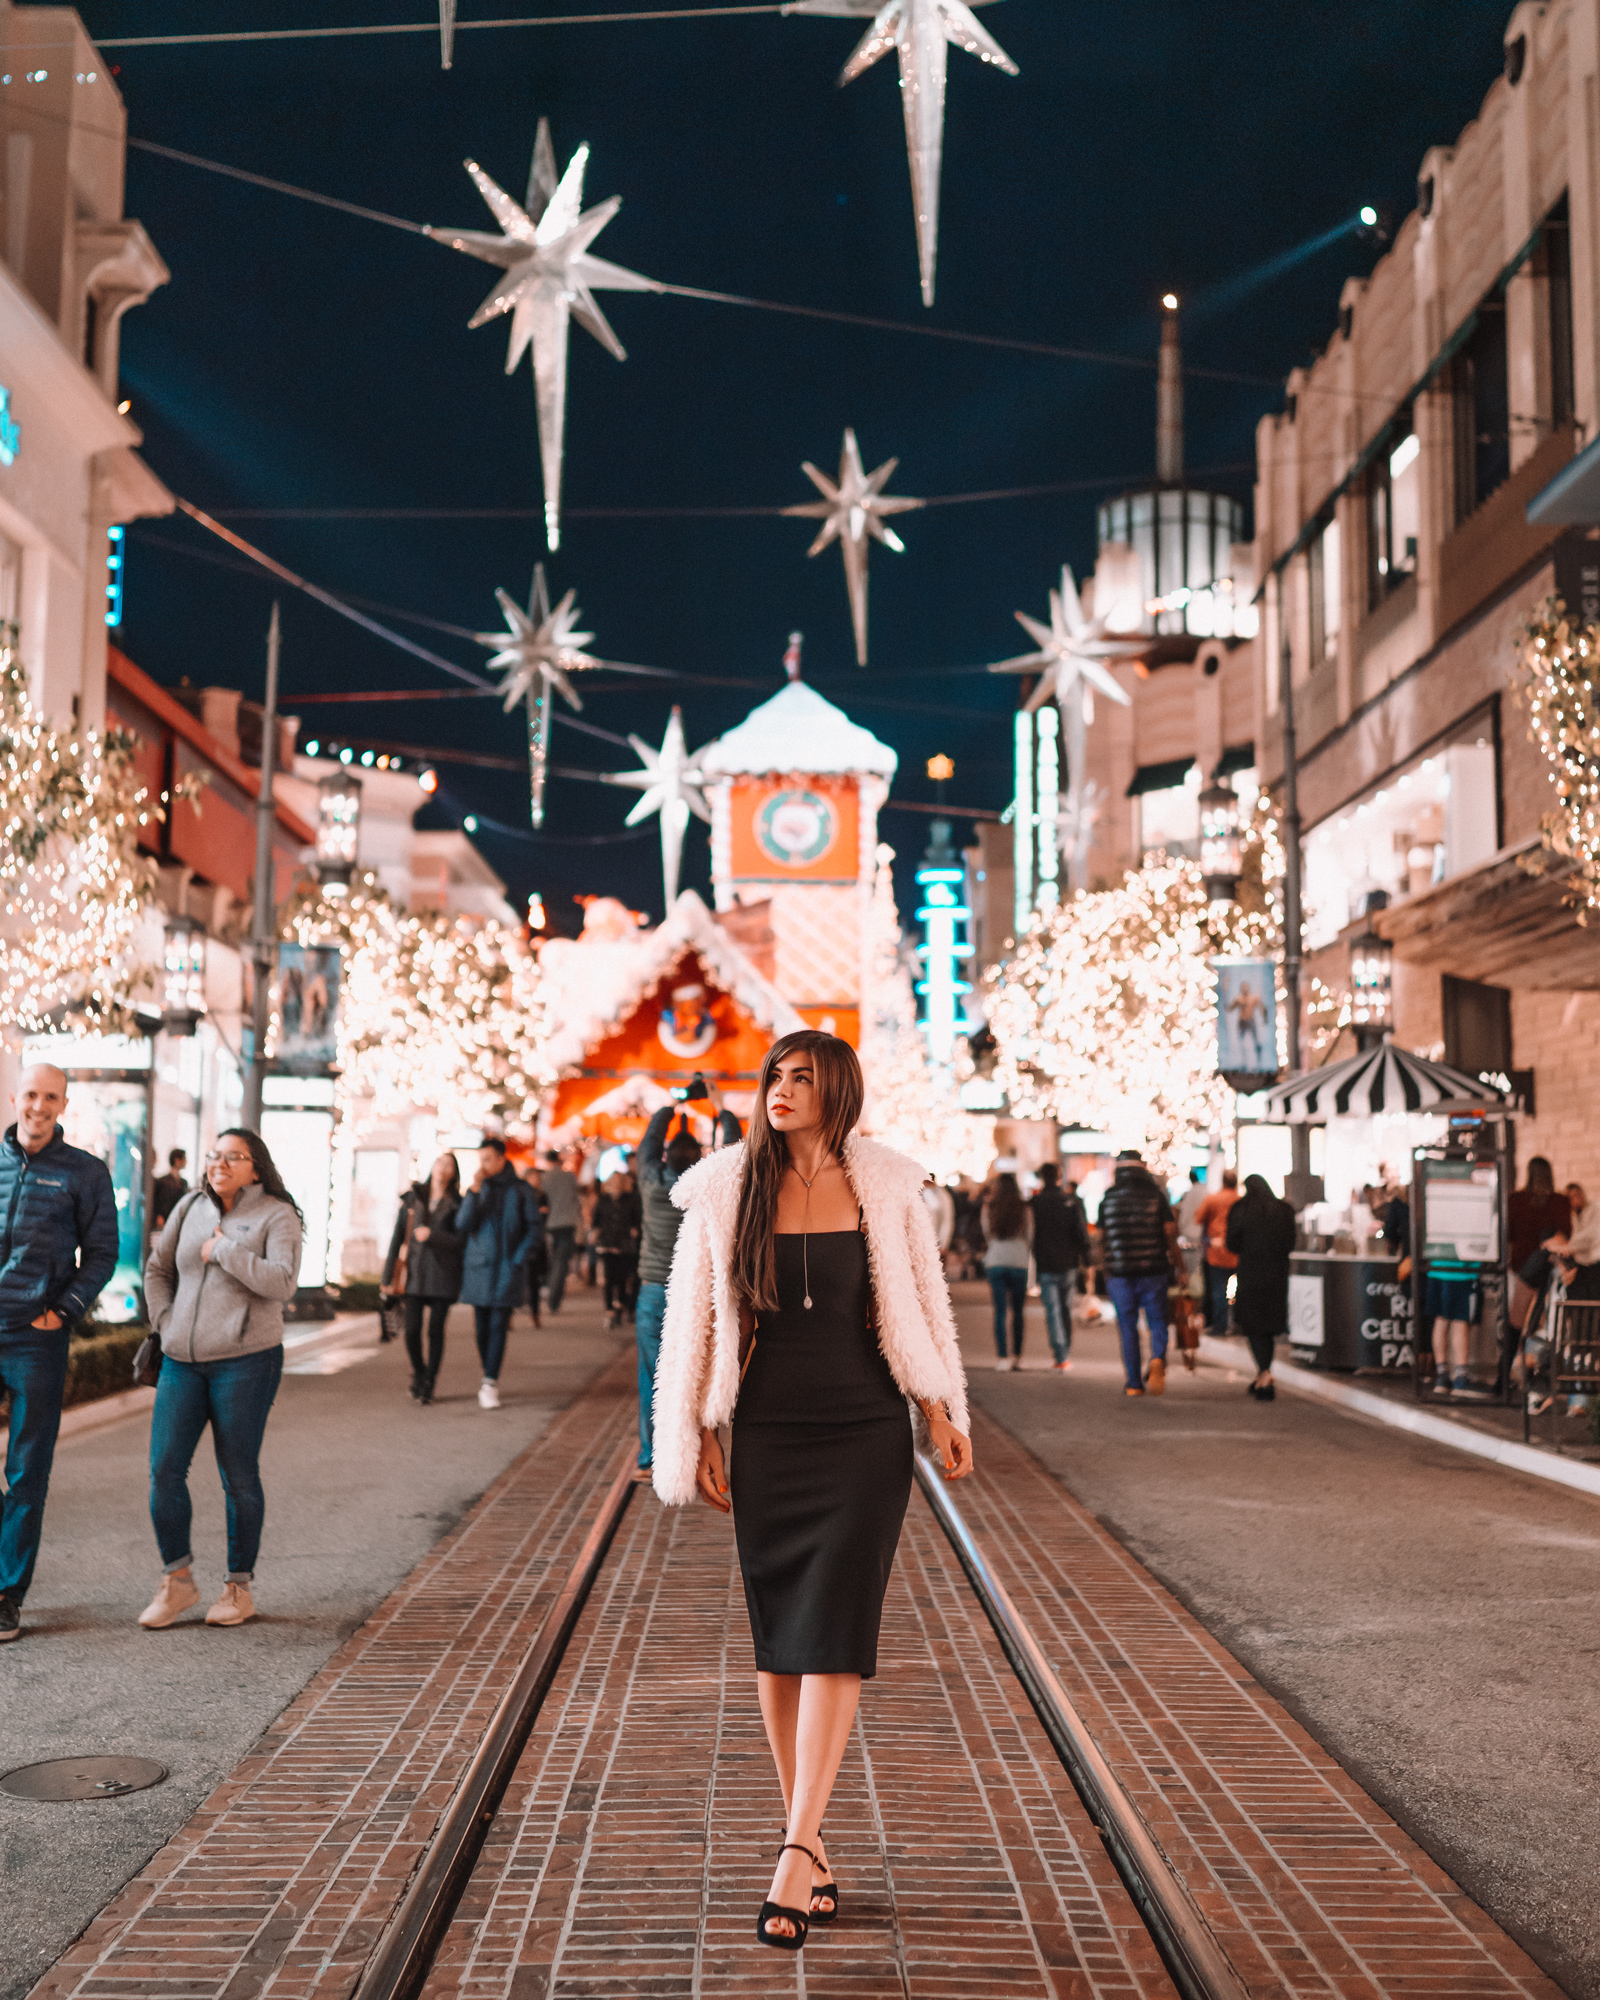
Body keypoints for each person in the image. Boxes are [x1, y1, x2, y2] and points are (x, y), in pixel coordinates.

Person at [652, 1029, 971, 1954]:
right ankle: (815, 1842)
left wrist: (941, 1409)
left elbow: (914, 1306)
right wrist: (699, 1429)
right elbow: (694, 1325)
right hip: (768, 1436)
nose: (780, 1090)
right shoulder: (722, 1186)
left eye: (802, 1078)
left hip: (865, 1432)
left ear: (838, 1091)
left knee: (835, 1629)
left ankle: (794, 1846)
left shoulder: (887, 1185)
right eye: (775, 1077)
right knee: (779, 1641)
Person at [139, 1128, 302, 1630]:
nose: (220, 1164)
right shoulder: (190, 1206)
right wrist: (166, 1323)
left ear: (256, 1167)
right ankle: (178, 1581)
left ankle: (238, 1587)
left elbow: (282, 1283)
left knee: (238, 1475)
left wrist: (226, 1250)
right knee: (164, 1470)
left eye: (235, 1157)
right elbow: (158, 1269)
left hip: (246, 1361)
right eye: (215, 1155)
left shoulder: (277, 1214)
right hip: (182, 1361)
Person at [0, 1065, 118, 1644]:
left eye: (50, 1097)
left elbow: (102, 1254)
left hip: (35, 1338)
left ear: (63, 1103)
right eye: (31, 1094)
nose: (38, 1106)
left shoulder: (85, 1173)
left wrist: (61, 1312)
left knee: (26, 1472)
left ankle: (7, 1594)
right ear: (16, 1097)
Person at [634, 1083, 742, 1479]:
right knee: (699, 1370)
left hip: (653, 1290)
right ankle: (698, 1448)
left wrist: (671, 1105)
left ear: (666, 1155)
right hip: (699, 1293)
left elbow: (648, 1143)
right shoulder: (708, 1185)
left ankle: (651, 1455)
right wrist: (719, 1110)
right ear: (699, 1157)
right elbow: (733, 1152)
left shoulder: (650, 1181)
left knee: (652, 1374)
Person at [455, 1135, 535, 1410]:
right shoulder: (479, 1188)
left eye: (488, 1159)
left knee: (498, 1324)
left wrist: (518, 1258)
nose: (484, 1165)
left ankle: (490, 1381)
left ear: (502, 1158)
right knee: (481, 1328)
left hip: (506, 1267)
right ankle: (487, 1371)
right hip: (479, 1267)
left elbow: (534, 1226)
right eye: (481, 1160)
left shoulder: (521, 1189)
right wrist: (474, 1193)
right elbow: (463, 1224)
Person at [381, 1152, 465, 1405]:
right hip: (413, 1273)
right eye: (440, 1161)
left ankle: (430, 1381)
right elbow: (397, 1238)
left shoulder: (457, 1203)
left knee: (436, 1331)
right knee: (412, 1331)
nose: (443, 1167)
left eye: (449, 1165)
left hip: (444, 1274)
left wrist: (433, 1236)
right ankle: (419, 1372)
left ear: (454, 1173)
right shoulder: (413, 1197)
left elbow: (461, 1242)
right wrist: (387, 1276)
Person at [1098, 1149, 1179, 1396]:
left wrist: (1105, 1268)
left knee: (1127, 1326)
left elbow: (1101, 1239)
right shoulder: (1156, 1195)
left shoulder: (1108, 1198)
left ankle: (1133, 1383)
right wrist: (1180, 1265)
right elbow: (1170, 1233)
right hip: (1154, 1270)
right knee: (1157, 1321)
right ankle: (1157, 1358)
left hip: (1120, 1273)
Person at [1225, 1175, 1296, 1399]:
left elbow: (1231, 1243)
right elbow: (1291, 1242)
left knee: (1253, 1325)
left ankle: (1263, 1373)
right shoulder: (1284, 1210)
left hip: (1251, 1273)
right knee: (1269, 1325)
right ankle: (1263, 1374)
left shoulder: (1241, 1208)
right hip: (1277, 1274)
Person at [1030, 1163, 1089, 1371]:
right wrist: (1087, 1260)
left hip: (1045, 1263)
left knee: (1053, 1310)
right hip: (1069, 1262)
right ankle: (1066, 1349)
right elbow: (1081, 1233)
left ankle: (1061, 1354)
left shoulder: (1036, 1202)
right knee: (1065, 1308)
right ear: (1058, 1177)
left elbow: (1031, 1234)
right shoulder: (1071, 1201)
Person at [982, 1173, 1031, 1369]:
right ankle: (1017, 1356)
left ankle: (1003, 1357)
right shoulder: (1024, 1208)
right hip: (1019, 1262)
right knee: (1018, 1312)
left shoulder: (990, 1207)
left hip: (996, 1261)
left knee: (1000, 1311)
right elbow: (1030, 1235)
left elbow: (987, 1233)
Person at [1193, 1169, 1241, 1334]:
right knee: (1239, 1290)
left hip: (1217, 1251)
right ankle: (1238, 1324)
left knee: (1219, 1290)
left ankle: (1220, 1326)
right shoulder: (1240, 1200)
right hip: (1238, 1251)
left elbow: (1198, 1217)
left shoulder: (1213, 1199)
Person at [593, 1171, 642, 1327]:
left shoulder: (631, 1200)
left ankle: (620, 1304)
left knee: (622, 1277)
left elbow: (637, 1218)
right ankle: (610, 1309)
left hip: (624, 1243)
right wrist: (595, 1232)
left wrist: (634, 1230)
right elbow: (596, 1220)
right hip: (607, 1242)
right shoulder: (603, 1200)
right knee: (609, 1277)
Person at [541, 1149, 580, 1311]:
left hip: (550, 1225)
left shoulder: (545, 1178)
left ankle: (551, 1294)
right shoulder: (570, 1177)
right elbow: (576, 1200)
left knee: (552, 1261)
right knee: (562, 1262)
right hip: (567, 1224)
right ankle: (555, 1299)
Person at [520, 1163, 548, 1330]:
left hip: (537, 1243)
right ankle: (510, 1316)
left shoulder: (542, 1195)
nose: (536, 1180)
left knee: (534, 1281)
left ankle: (535, 1314)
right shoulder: (521, 1195)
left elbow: (545, 1216)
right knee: (520, 1280)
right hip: (522, 1241)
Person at [151, 1148, 189, 1234]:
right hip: (164, 1219)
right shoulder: (162, 1181)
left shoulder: (183, 1183)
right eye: (184, 1158)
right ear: (176, 1160)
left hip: (178, 1219)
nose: (186, 1161)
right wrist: (159, 1216)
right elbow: (157, 1201)